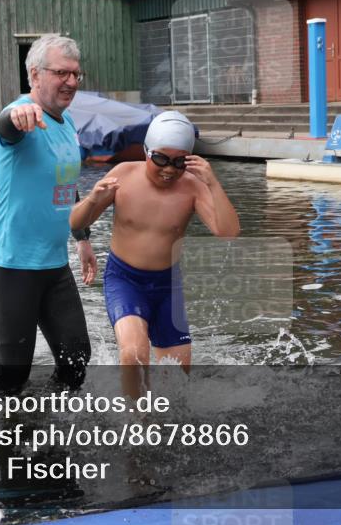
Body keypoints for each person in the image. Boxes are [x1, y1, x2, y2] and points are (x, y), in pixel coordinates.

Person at [69, 111, 240, 382]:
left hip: (167, 286)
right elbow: (76, 221)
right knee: (135, 354)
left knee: (177, 376)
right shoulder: (123, 175)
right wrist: (92, 200)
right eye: (160, 159)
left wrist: (213, 182)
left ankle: (163, 418)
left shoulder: (193, 188)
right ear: (146, 151)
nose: (169, 169)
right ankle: (137, 422)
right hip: (125, 280)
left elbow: (228, 233)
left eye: (179, 162)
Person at [0, 34, 95, 395]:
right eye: (62, 73)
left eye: (76, 74)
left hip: (53, 263)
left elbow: (67, 182)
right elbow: (5, 126)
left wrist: (82, 240)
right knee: (14, 374)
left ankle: (45, 426)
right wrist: (15, 116)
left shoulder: (67, 124)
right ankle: (6, 443)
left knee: (76, 358)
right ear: (34, 75)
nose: (71, 82)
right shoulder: (22, 117)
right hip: (14, 263)